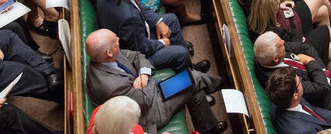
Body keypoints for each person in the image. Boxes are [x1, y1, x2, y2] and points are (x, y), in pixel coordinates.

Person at [85, 29, 228, 134]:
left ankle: (210, 130)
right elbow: (144, 101)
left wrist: (144, 75)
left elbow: (137, 55)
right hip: (150, 112)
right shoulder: (108, 85)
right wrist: (148, 81)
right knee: (194, 77)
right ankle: (220, 83)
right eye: (115, 41)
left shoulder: (106, 56)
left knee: (195, 90)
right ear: (109, 52)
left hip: (150, 92)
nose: (118, 40)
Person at [248, 0, 331, 70]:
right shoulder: (276, 32)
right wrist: (299, 38)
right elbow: (291, 46)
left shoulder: (254, 19)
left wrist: (280, 7)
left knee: (323, 11)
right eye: (277, 4)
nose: (279, 4)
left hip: (291, 27)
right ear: (271, 12)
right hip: (298, 42)